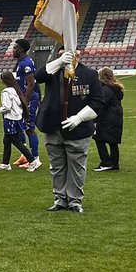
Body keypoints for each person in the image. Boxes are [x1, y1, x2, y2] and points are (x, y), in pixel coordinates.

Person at [33, 48, 105, 214]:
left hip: (78, 129)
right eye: (61, 54)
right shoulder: (53, 70)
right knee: (57, 166)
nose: (65, 57)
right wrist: (59, 62)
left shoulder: (89, 74)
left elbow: (98, 101)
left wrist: (79, 117)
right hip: (52, 126)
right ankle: (59, 199)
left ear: (79, 56)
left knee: (77, 167)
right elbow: (38, 76)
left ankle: (74, 201)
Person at [12, 39, 42, 171]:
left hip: (28, 100)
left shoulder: (26, 63)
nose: (13, 50)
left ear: (22, 50)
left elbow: (31, 84)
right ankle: (25, 155)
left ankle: (35, 159)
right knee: (20, 127)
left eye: (15, 48)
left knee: (29, 129)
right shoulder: (21, 63)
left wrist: (26, 101)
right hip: (23, 99)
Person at [0, 70, 26, 171]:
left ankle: (32, 160)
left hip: (10, 119)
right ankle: (5, 163)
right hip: (16, 118)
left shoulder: (6, 92)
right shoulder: (15, 89)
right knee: (6, 141)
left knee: (15, 141)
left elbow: (7, 107)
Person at [93, 67, 124, 172]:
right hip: (116, 117)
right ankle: (114, 164)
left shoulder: (106, 89)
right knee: (113, 142)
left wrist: (94, 118)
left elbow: (102, 104)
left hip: (108, 117)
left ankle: (106, 162)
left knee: (98, 138)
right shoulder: (115, 88)